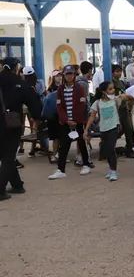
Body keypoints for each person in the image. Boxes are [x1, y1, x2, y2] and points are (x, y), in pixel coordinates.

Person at [0, 58, 41, 200]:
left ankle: (17, 185)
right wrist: (37, 117)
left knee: (5, 155)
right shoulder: (19, 83)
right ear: (15, 68)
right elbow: (33, 102)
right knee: (8, 156)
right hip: (11, 123)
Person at [48, 65, 92, 180]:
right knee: (63, 145)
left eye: (71, 74)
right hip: (65, 123)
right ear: (64, 75)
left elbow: (82, 104)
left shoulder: (79, 88)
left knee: (81, 143)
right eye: (67, 74)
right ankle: (61, 170)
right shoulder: (60, 89)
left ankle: (86, 164)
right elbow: (59, 106)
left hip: (77, 122)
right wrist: (66, 120)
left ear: (74, 75)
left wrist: (75, 120)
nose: (69, 76)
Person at [84, 81, 133, 181]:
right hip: (103, 129)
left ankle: (113, 171)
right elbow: (92, 117)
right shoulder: (98, 103)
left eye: (113, 88)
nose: (113, 90)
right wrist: (86, 129)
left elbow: (131, 99)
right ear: (104, 91)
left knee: (111, 149)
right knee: (107, 150)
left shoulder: (116, 100)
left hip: (114, 128)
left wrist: (125, 96)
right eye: (110, 89)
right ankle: (111, 170)